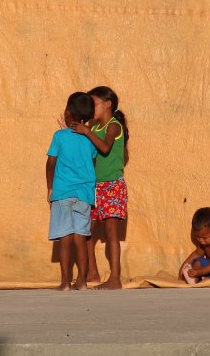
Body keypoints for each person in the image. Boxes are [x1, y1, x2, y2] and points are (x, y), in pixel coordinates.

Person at [70, 85, 129, 290]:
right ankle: (92, 273)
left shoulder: (114, 126)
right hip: (93, 187)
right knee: (87, 232)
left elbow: (104, 148)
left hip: (112, 185)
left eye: (93, 103)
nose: (91, 108)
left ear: (108, 104)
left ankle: (115, 277)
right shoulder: (93, 129)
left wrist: (86, 131)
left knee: (111, 231)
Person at [46, 91, 97, 290]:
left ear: (67, 113)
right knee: (80, 237)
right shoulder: (89, 138)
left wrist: (50, 187)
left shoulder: (59, 136)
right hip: (84, 194)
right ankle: (82, 281)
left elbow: (51, 163)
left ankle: (65, 282)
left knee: (64, 237)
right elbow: (91, 162)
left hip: (62, 192)